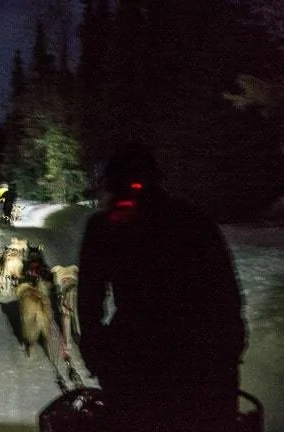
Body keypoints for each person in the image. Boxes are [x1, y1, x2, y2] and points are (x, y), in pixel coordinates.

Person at [77, 140, 247, 432]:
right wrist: (227, 356)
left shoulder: (104, 227)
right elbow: (227, 295)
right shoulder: (195, 221)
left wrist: (98, 354)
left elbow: (89, 302)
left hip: (136, 358)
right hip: (201, 359)